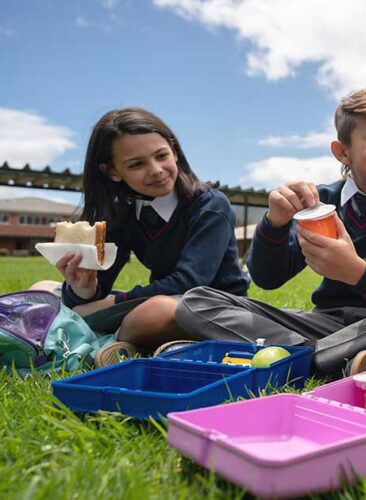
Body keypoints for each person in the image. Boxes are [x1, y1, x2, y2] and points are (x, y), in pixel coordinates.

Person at [174, 88, 366, 377]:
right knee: (195, 301)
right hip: (323, 322)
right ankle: (325, 356)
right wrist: (274, 223)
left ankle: (295, 357)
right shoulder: (320, 202)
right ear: (343, 151)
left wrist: (357, 272)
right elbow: (268, 278)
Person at [31, 107, 250, 366]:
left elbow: (190, 281)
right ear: (112, 172)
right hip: (159, 302)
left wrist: (111, 302)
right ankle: (119, 341)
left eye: (161, 155)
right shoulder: (122, 213)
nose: (156, 170)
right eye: (137, 164)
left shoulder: (211, 205)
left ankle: (103, 342)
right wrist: (83, 287)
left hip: (216, 307)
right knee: (42, 289)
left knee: (149, 314)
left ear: (175, 151)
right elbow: (94, 292)